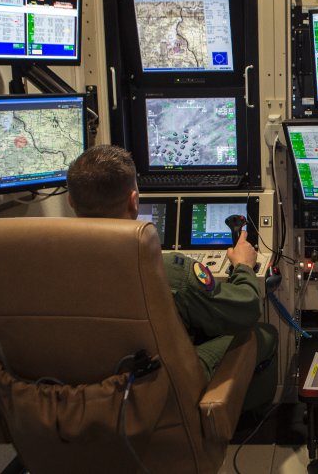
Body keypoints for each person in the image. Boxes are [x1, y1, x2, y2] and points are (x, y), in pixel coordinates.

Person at [66, 144, 277, 414]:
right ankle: (226, 427)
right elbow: (245, 309)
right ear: (134, 201)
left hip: (82, 391)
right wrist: (244, 267)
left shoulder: (44, 267)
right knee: (261, 333)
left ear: (71, 202)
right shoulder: (168, 270)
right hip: (155, 387)